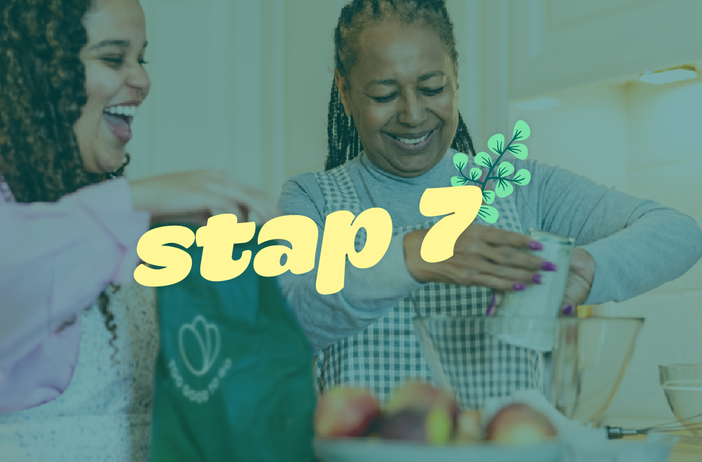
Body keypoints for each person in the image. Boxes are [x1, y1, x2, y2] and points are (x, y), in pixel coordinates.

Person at [276, 0, 702, 403]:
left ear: (455, 75)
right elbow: (286, 321)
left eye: (431, 87)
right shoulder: (315, 199)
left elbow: (679, 232)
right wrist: (414, 256)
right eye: (385, 95)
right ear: (345, 91)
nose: (412, 113)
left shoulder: (517, 187)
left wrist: (583, 271)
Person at [0, 0, 277, 460]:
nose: (142, 80)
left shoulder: (102, 196)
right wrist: (128, 204)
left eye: (140, 57)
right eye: (112, 57)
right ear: (35, 69)